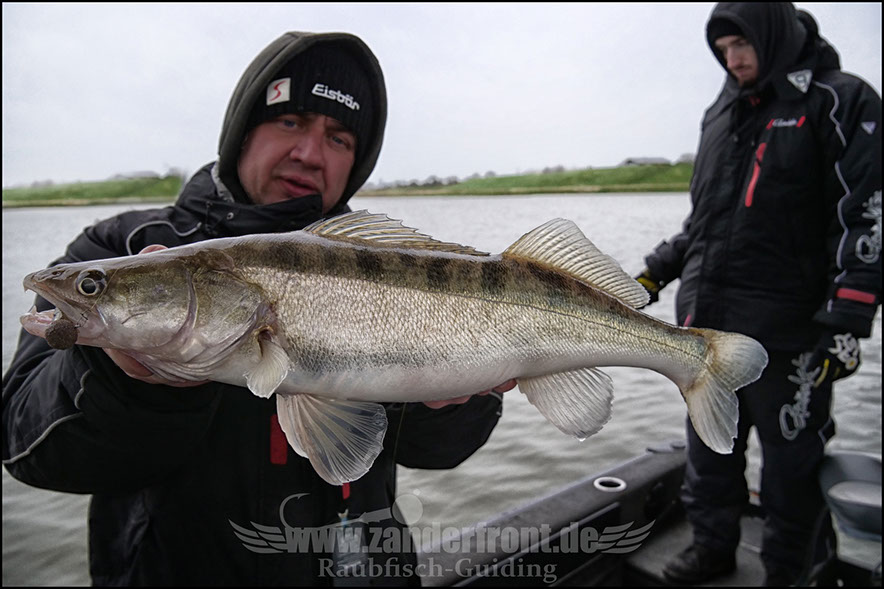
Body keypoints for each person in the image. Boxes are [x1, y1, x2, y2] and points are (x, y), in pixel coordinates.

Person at [2, 31, 514, 586]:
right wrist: (123, 379)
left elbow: (437, 454)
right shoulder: (121, 246)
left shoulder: (398, 266)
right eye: (289, 121)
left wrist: (453, 403)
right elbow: (26, 445)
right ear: (242, 131)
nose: (309, 152)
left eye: (339, 137)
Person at [634, 3, 881, 586]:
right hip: (705, 331)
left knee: (791, 468)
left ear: (772, 36)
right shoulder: (719, 113)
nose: (733, 59)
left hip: (789, 335)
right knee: (709, 450)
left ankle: (789, 571)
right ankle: (712, 547)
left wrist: (845, 324)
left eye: (741, 45)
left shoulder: (840, 101)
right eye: (722, 51)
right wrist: (649, 276)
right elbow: (704, 223)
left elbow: (863, 224)